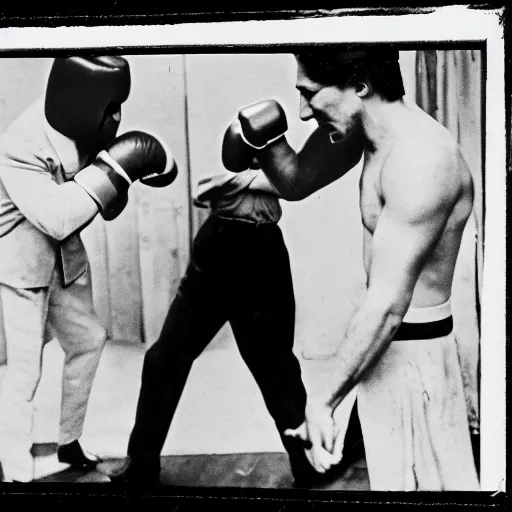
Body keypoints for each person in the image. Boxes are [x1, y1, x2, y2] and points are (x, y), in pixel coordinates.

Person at [221, 47, 480, 491]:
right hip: (383, 351)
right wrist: (263, 150)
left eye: (311, 95)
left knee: (437, 491)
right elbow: (298, 180)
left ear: (360, 85)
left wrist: (322, 401)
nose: (302, 112)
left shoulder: (422, 161)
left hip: (416, 358)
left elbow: (387, 303)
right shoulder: (368, 131)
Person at [108, 151, 365, 488]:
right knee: (164, 358)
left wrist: (250, 182)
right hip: (218, 245)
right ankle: (141, 465)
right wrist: (252, 181)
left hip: (260, 250)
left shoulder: (291, 165)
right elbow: (205, 190)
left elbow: (294, 184)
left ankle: (309, 466)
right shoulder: (239, 166)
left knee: (276, 371)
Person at [0, 56, 177, 483]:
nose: (117, 117)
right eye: (111, 106)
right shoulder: (19, 145)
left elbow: (106, 206)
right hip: (22, 264)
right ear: (79, 99)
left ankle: (69, 442)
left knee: (89, 340)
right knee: (25, 371)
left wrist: (123, 169)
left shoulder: (84, 130)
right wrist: (118, 166)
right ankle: (17, 473)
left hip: (65, 260)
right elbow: (57, 217)